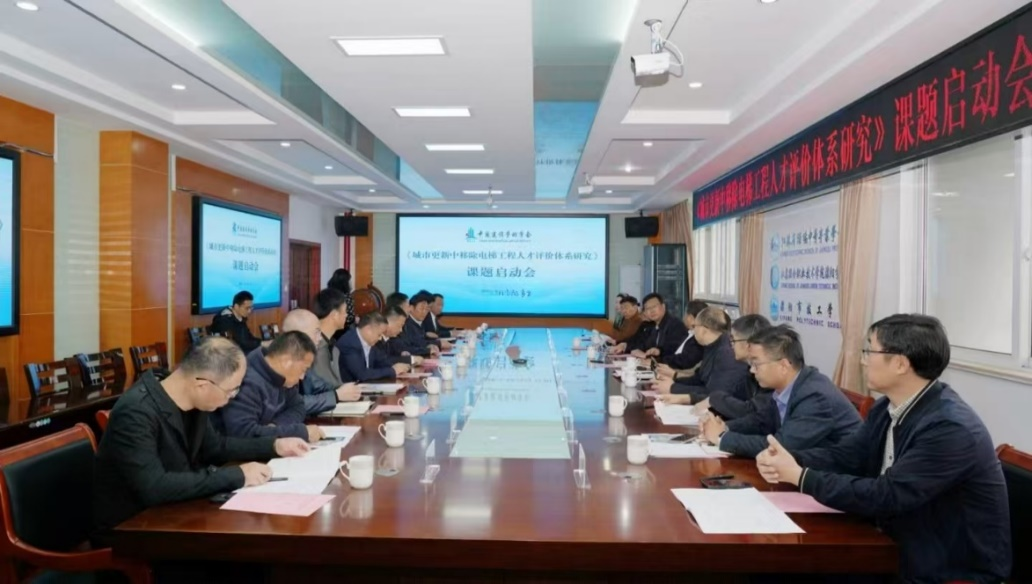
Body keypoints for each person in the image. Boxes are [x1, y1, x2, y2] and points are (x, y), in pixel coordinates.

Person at [756, 314, 1011, 583]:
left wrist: (801, 476)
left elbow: (887, 495)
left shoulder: (950, 428)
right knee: (774, 567)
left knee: (786, 569)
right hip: (894, 540)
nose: (863, 360)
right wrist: (790, 459)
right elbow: (848, 456)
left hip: (946, 567)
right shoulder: (886, 407)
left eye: (870, 351)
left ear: (900, 363)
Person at [92, 337, 309, 542]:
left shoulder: (193, 401)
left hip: (175, 514)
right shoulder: (136, 413)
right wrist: (237, 475)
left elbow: (216, 447)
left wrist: (274, 445)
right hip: (133, 530)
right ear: (202, 385)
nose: (232, 398)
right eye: (232, 391)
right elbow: (155, 487)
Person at [702, 325, 861, 458]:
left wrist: (722, 438)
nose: (752, 370)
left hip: (836, 477)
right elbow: (761, 421)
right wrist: (725, 427)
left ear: (783, 366)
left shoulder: (815, 396)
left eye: (756, 364)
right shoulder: (786, 387)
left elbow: (781, 447)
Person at [216, 331, 325, 443]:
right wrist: (299, 433)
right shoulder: (246, 380)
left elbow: (298, 406)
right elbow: (243, 433)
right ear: (286, 361)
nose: (302, 377)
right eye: (303, 369)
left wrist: (275, 426)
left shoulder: (285, 379)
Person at [653, 307, 749, 405]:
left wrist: (673, 388)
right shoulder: (711, 346)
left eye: (695, 326)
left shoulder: (727, 353)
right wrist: (674, 381)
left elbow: (715, 394)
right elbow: (699, 379)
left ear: (703, 330)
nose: (693, 331)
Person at [690, 314, 772, 420]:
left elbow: (751, 412)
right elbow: (732, 397)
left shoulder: (769, 373)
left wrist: (715, 400)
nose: (731, 345)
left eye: (733, 340)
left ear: (748, 344)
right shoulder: (749, 372)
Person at [281, 309, 361, 415]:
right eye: (316, 333)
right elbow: (293, 404)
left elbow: (318, 386)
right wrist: (336, 395)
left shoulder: (302, 358)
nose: (319, 338)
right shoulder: (282, 363)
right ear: (299, 335)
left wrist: (344, 390)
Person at [338, 312, 410, 382]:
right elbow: (361, 374)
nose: (380, 338)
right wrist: (392, 371)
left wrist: (399, 367)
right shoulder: (349, 343)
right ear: (368, 329)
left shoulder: (370, 342)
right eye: (379, 334)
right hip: (351, 387)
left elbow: (382, 361)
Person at [611, 293, 688, 359]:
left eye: (654, 307)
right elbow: (640, 342)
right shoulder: (650, 325)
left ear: (663, 306)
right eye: (648, 308)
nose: (652, 311)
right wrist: (625, 345)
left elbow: (673, 351)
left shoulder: (675, 325)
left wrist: (656, 354)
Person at [655, 300, 709, 375]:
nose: (684, 317)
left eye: (685, 314)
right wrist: (659, 352)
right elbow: (673, 348)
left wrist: (660, 361)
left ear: (690, 318)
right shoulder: (687, 333)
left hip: (679, 373)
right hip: (669, 367)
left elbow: (685, 361)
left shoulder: (699, 340)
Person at [311, 287, 350, 386]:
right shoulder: (316, 346)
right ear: (334, 315)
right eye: (345, 311)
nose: (346, 315)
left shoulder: (331, 344)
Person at [326, 268, 356, 342]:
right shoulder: (346, 297)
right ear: (345, 283)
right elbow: (349, 318)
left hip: (329, 330)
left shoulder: (327, 294)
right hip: (343, 331)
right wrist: (355, 319)